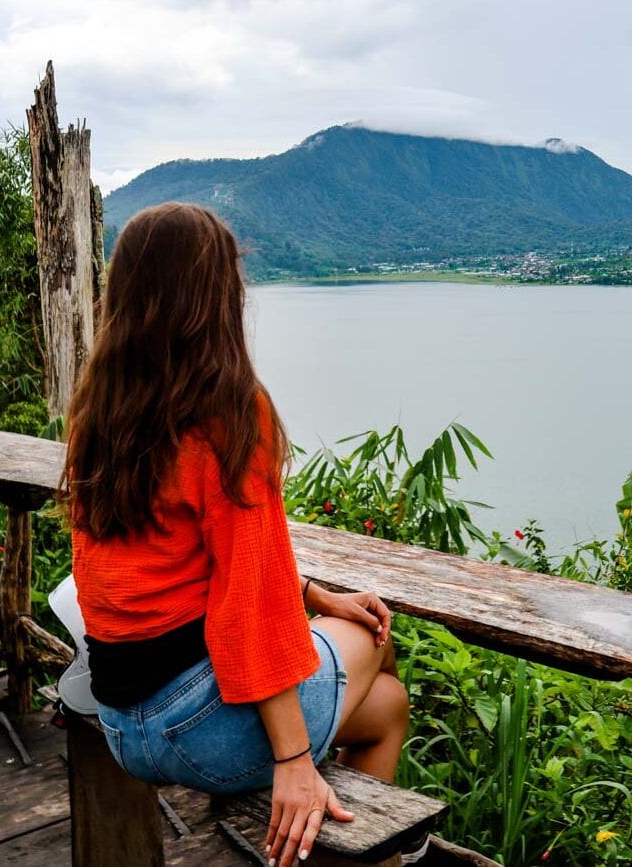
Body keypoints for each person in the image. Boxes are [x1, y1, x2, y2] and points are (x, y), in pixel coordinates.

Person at [62, 203, 413, 867]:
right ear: (216, 295)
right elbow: (249, 601)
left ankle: (338, 835)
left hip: (120, 720)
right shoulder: (227, 409)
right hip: (199, 727)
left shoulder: (99, 410)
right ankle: (313, 808)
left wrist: (313, 594)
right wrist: (293, 760)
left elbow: (178, 564)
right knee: (375, 636)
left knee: (387, 704)